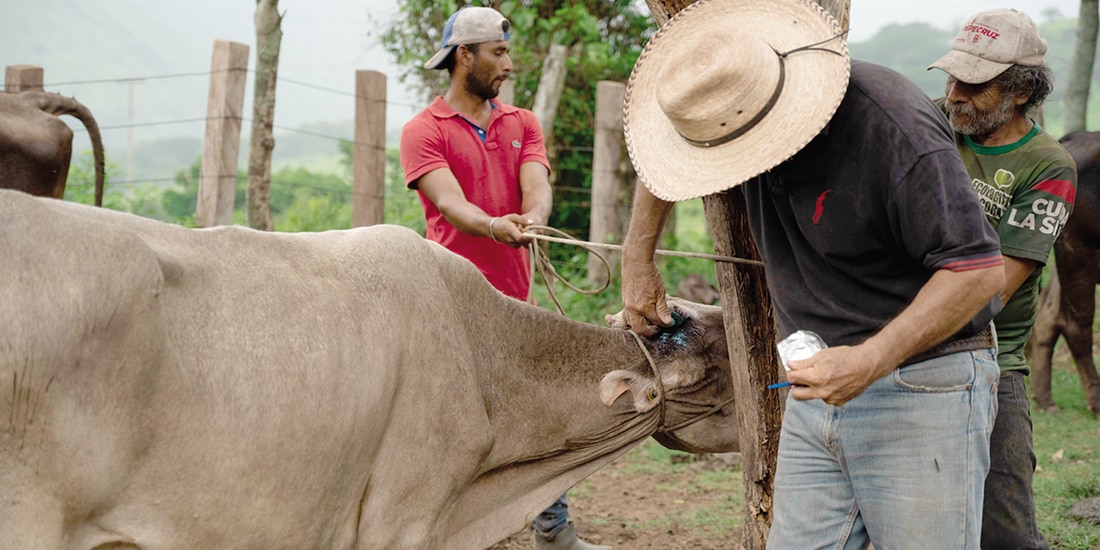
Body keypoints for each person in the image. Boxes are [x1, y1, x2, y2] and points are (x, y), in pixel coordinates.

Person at [616, 0, 1005, 548]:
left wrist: (869, 360)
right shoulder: (725, 108)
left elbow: (976, 272)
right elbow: (662, 156)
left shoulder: (891, 126)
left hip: (922, 386)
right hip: (815, 389)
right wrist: (637, 257)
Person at [398, 7, 609, 550]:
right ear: (464, 56)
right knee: (451, 424)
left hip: (515, 298)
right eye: (498, 52)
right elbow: (450, 204)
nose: (509, 65)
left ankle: (552, 530)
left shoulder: (522, 124)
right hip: (451, 302)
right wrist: (495, 226)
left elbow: (535, 186)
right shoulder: (423, 131)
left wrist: (533, 219)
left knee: (539, 412)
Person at [928, 9, 1076, 549]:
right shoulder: (932, 123)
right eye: (951, 78)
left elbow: (995, 289)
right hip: (899, 343)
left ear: (1020, 91)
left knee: (1007, 534)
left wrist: (885, 335)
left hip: (990, 359)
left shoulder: (1048, 164)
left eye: (975, 83)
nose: (955, 94)